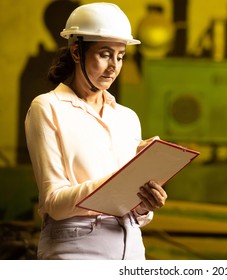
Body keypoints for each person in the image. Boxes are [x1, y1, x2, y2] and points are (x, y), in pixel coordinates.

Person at [25, 2, 167, 260]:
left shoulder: (126, 118)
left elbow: (130, 208)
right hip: (75, 251)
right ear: (77, 51)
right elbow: (54, 203)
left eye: (120, 56)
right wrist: (121, 182)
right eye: (105, 54)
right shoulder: (48, 107)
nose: (114, 66)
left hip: (132, 249)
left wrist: (144, 204)